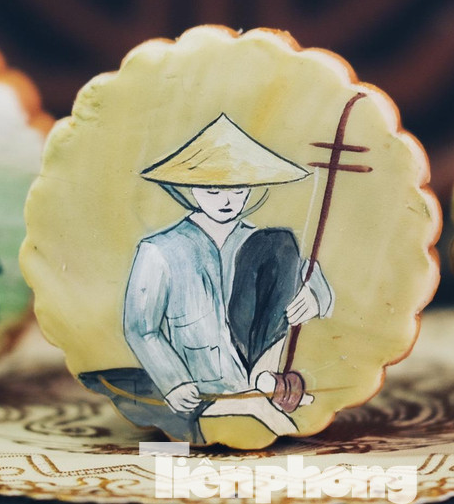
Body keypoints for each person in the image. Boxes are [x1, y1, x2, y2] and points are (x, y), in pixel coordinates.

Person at [78, 114, 334, 443]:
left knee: (280, 243)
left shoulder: (266, 246)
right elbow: (141, 328)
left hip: (258, 374)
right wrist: (173, 380)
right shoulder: (160, 250)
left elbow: (309, 274)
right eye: (212, 190)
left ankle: (264, 384)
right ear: (190, 188)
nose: (227, 201)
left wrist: (315, 296)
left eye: (238, 190)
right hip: (198, 386)